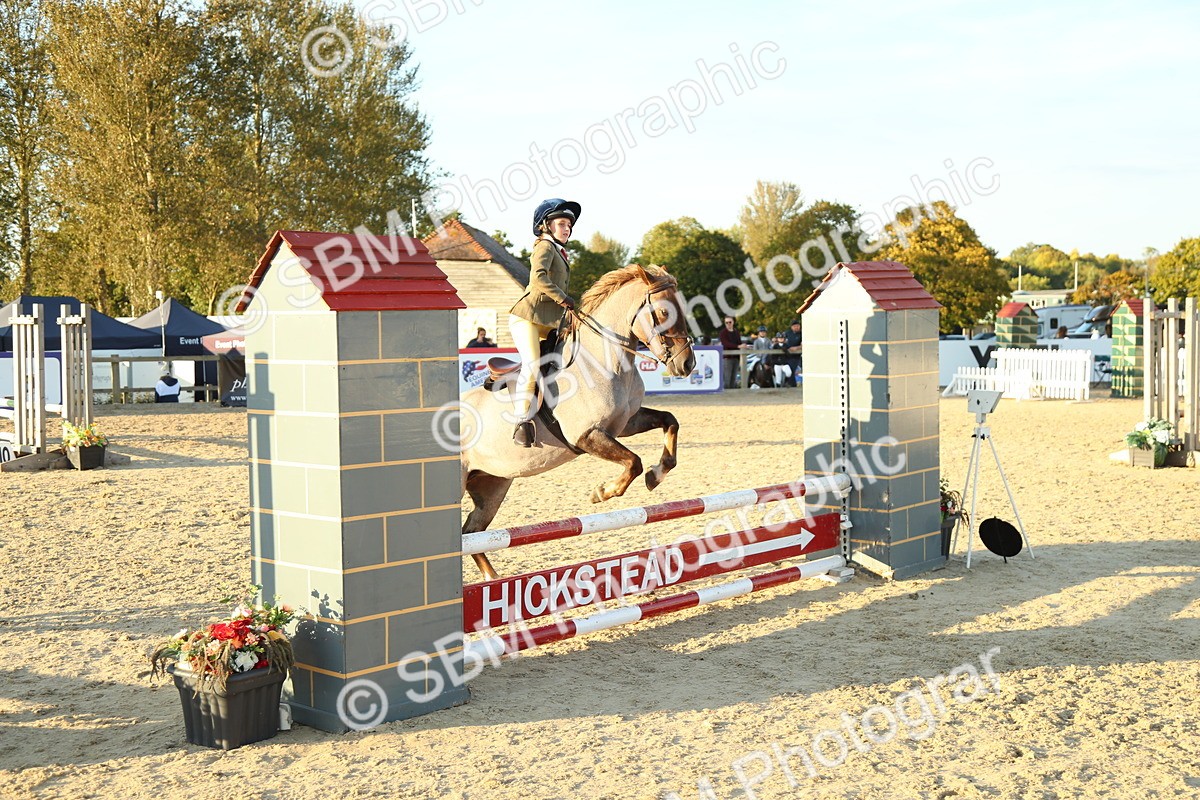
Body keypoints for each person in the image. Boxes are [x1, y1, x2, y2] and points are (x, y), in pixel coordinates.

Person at [507, 198, 581, 446]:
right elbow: (538, 279)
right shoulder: (545, 247)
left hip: (548, 322)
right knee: (532, 365)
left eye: (569, 224)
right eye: (561, 223)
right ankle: (521, 423)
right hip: (527, 317)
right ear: (545, 226)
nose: (567, 228)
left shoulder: (560, 252)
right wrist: (563, 299)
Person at [717, 315, 748, 389]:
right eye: (726, 322)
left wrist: (743, 346)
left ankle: (732, 396)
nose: (728, 324)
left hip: (736, 358)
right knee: (727, 379)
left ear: (733, 322)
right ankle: (726, 396)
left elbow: (739, 342)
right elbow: (725, 343)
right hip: (727, 358)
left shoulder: (736, 332)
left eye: (730, 322)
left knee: (733, 379)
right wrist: (738, 346)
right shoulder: (723, 333)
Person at [782, 319, 803, 386]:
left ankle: (793, 385)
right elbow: (781, 340)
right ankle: (786, 383)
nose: (796, 327)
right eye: (794, 326)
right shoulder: (787, 333)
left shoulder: (802, 334)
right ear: (791, 327)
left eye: (797, 326)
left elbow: (803, 344)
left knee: (793, 370)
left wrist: (796, 348)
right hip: (787, 355)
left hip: (796, 356)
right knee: (787, 370)